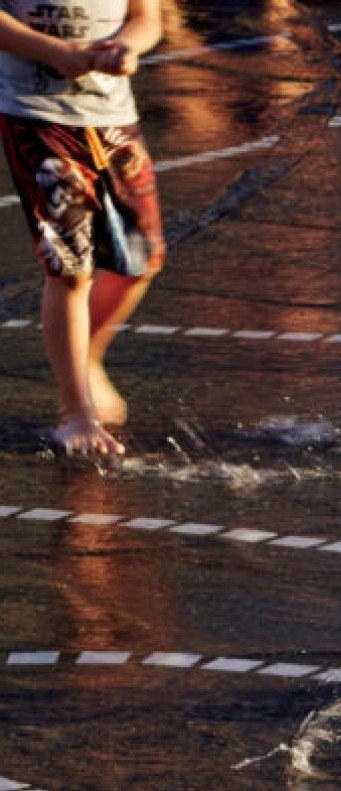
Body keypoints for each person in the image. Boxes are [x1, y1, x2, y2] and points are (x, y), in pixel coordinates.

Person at [0, 0, 163, 457]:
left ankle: (86, 356)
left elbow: (146, 16)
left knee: (143, 258)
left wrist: (127, 49)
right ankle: (75, 413)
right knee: (70, 266)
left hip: (113, 118)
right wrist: (51, 49)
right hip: (37, 117)